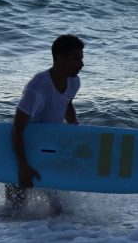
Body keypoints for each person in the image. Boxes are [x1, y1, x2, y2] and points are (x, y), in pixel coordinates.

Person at [7, 35, 83, 212]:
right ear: (59, 58)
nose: (81, 64)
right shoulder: (37, 88)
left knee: (59, 209)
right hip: (23, 149)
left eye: (82, 58)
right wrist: (23, 166)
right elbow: (17, 128)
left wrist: (75, 127)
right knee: (14, 211)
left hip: (48, 149)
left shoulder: (74, 81)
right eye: (76, 59)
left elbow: (66, 102)